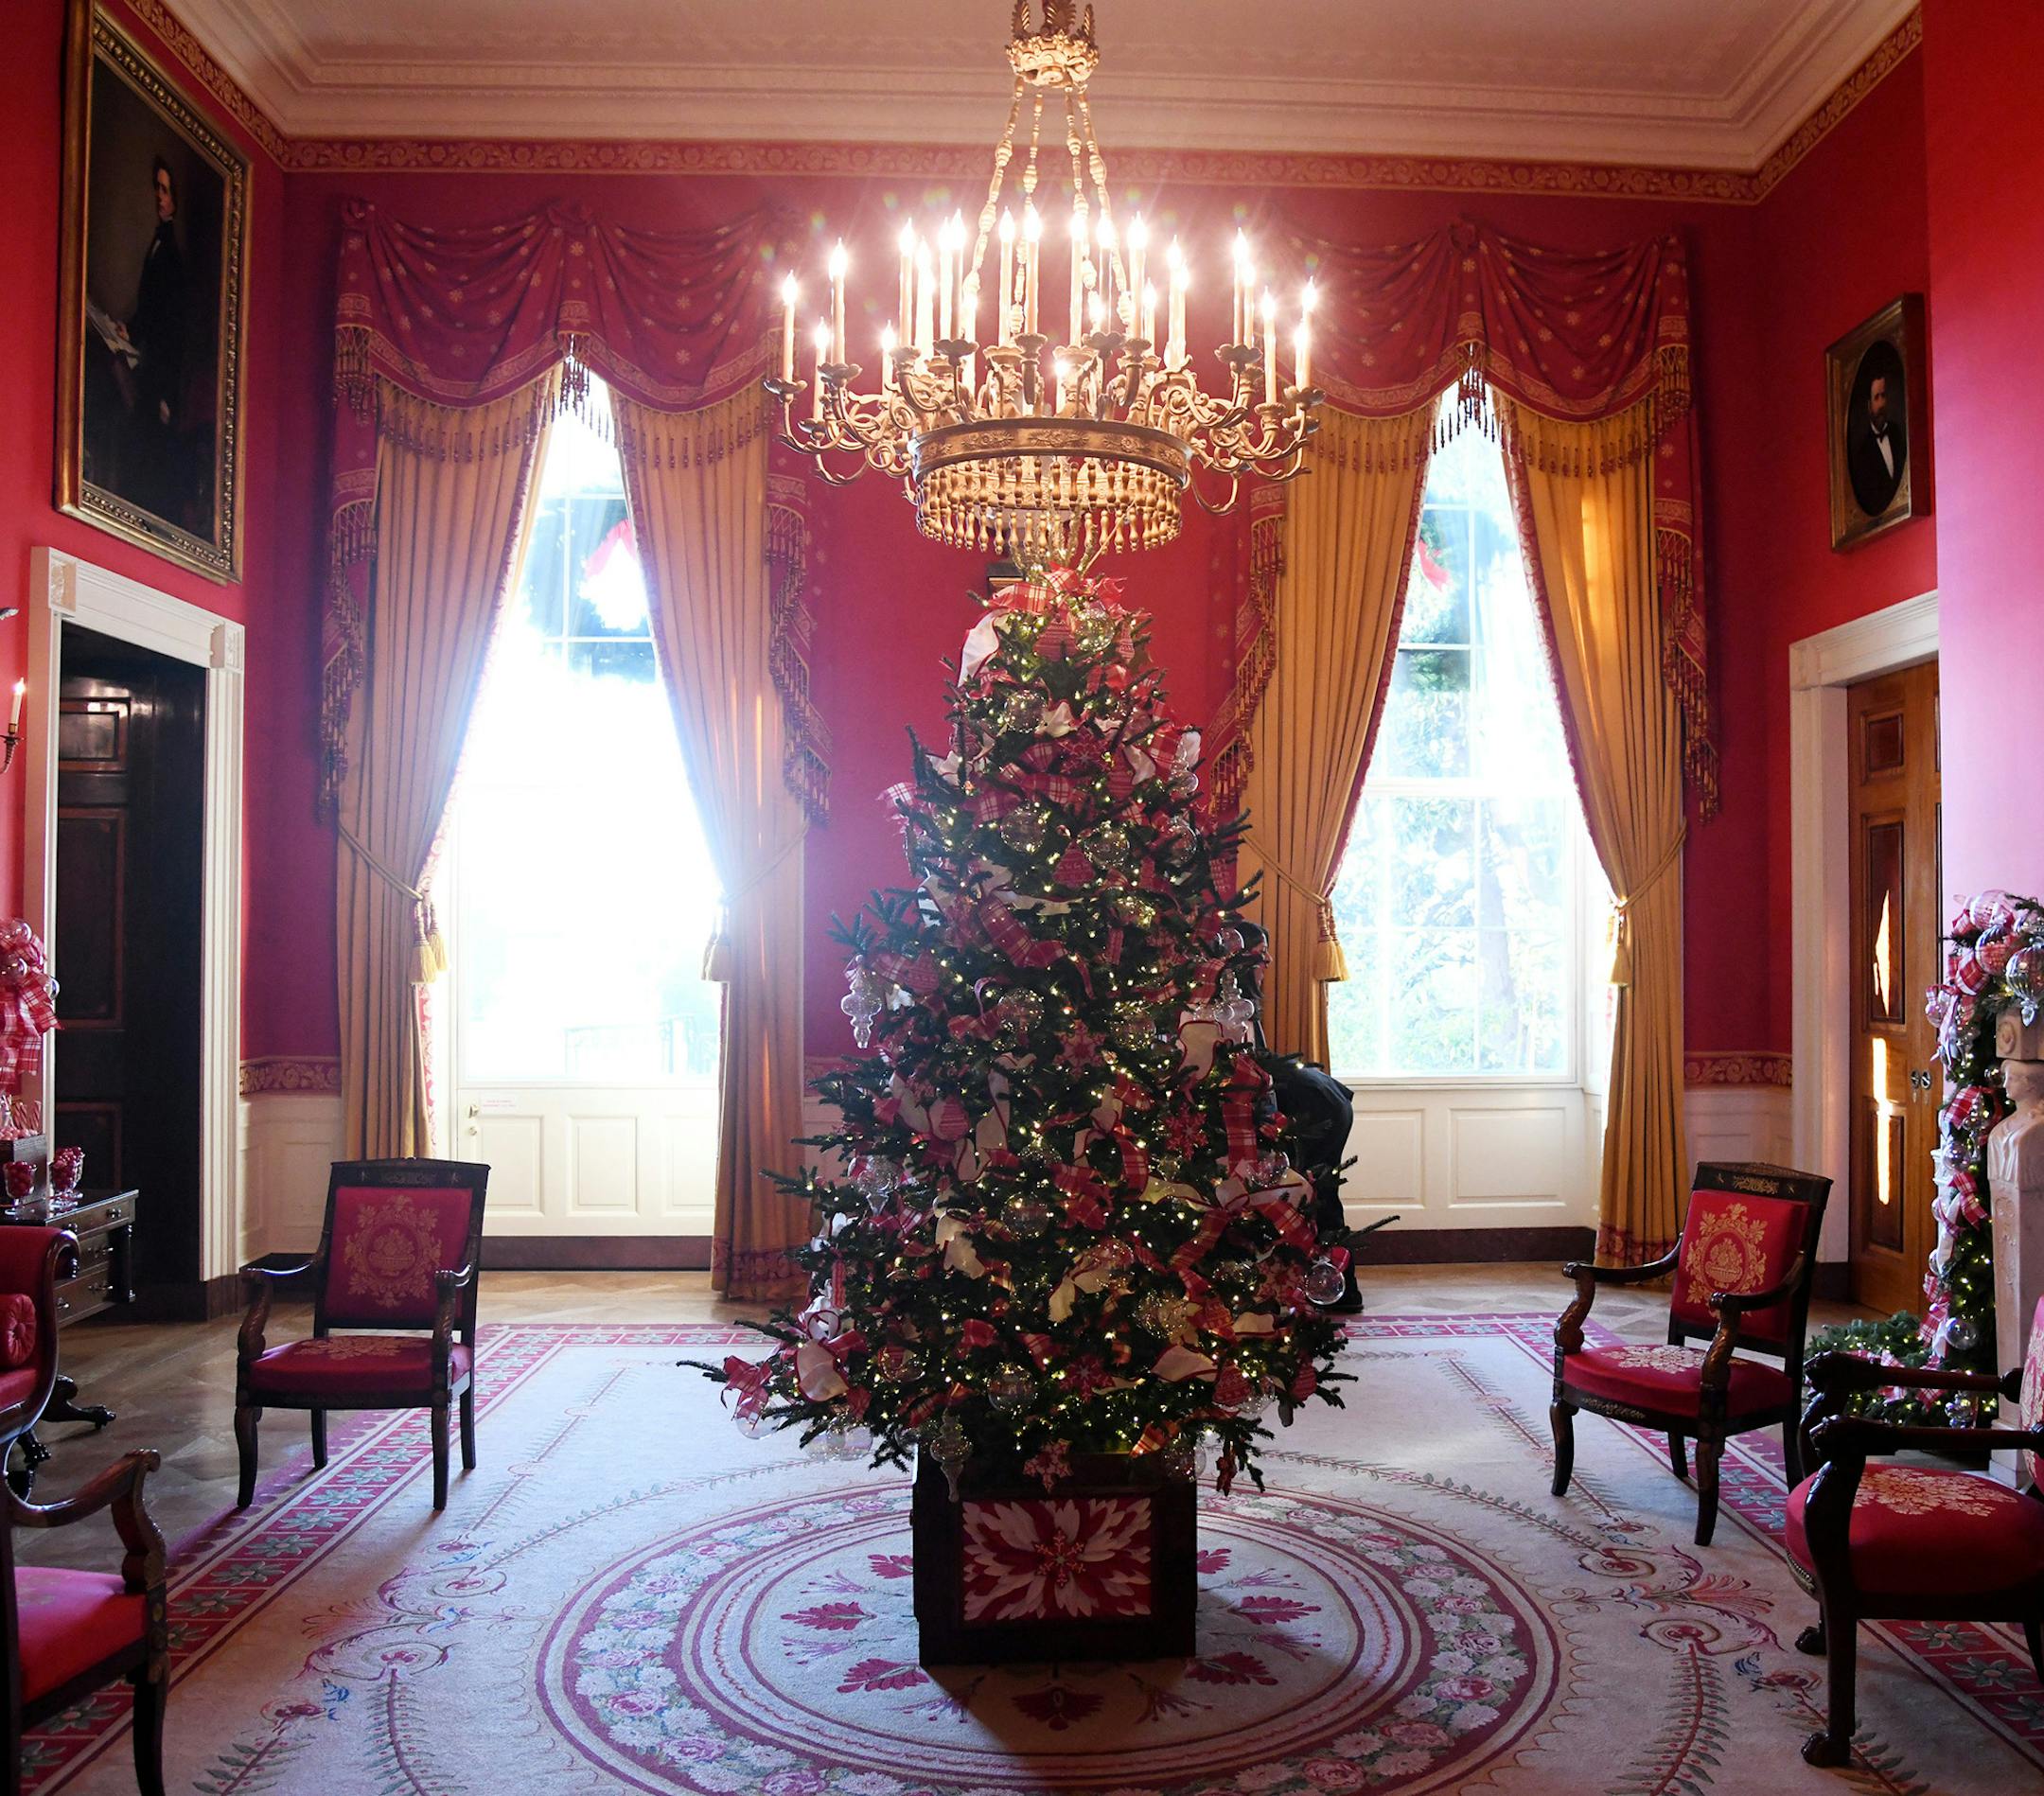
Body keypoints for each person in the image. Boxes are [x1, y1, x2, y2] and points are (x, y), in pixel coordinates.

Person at [1846, 355, 1906, 518]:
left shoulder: (1897, 434)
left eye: (1883, 395)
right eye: (1876, 398)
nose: (1881, 404)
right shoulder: (1863, 453)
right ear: (1868, 405)